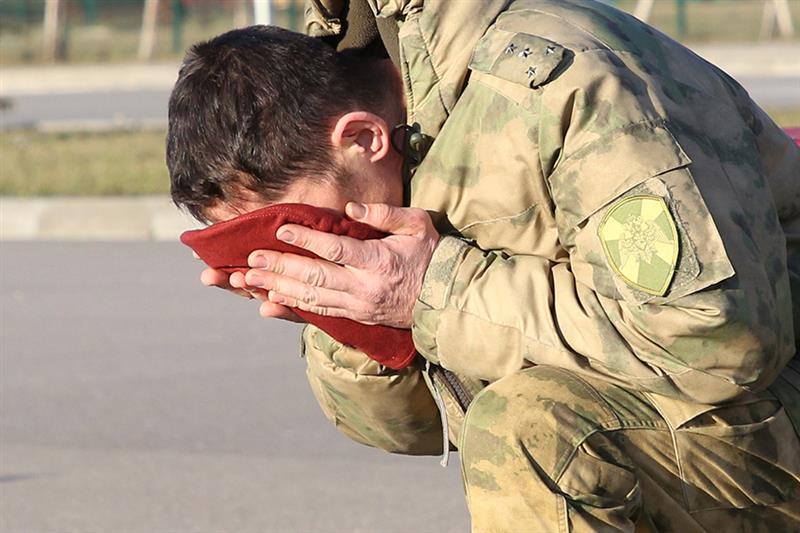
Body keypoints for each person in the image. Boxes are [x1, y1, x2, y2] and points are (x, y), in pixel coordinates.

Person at [166, 0, 800, 530]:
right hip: (706, 422)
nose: (300, 243)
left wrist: (431, 291)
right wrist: (352, 320)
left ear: (362, 139)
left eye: (290, 224)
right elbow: (409, 429)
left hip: (766, 400)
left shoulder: (570, 83)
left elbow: (721, 341)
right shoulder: (403, 135)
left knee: (534, 429)